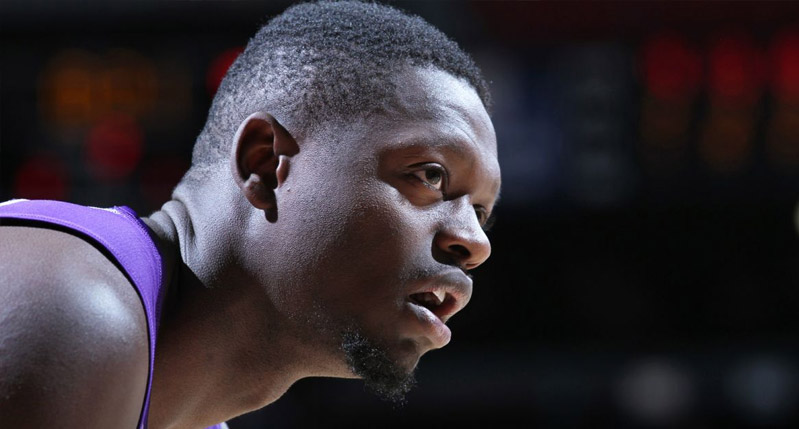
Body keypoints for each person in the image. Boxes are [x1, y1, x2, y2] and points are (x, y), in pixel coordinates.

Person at [0, 1, 501, 428]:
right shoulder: (72, 302)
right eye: (430, 175)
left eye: (481, 213)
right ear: (264, 163)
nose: (476, 242)